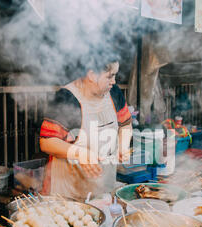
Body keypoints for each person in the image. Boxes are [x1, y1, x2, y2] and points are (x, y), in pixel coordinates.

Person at [39, 59, 132, 201]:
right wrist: (80, 153)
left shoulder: (114, 93)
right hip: (67, 193)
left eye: (115, 76)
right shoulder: (67, 98)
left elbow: (125, 124)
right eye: (109, 76)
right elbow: (47, 142)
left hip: (102, 189)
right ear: (92, 75)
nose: (113, 81)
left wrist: (123, 145)